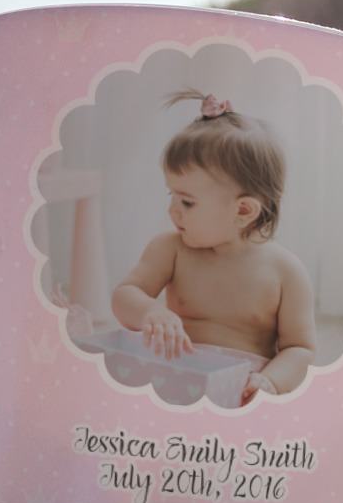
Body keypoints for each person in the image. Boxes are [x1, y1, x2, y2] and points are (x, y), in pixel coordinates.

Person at [111, 91, 316, 404]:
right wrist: (150, 311)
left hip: (239, 393)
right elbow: (124, 295)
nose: (172, 211)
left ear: (243, 210)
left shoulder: (285, 272)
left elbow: (299, 349)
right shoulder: (171, 249)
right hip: (174, 379)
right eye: (171, 195)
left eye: (187, 202)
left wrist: (270, 381)